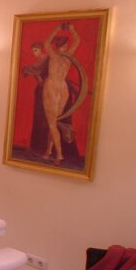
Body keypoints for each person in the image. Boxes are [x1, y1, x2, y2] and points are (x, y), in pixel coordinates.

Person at [42, 22, 80, 165]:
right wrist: (70, 30)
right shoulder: (63, 55)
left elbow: (47, 43)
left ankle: (59, 154)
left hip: (54, 88)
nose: (65, 47)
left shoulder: (57, 56)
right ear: (61, 46)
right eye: (64, 45)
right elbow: (76, 40)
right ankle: (48, 151)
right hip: (60, 88)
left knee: (52, 122)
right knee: (53, 122)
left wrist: (61, 29)